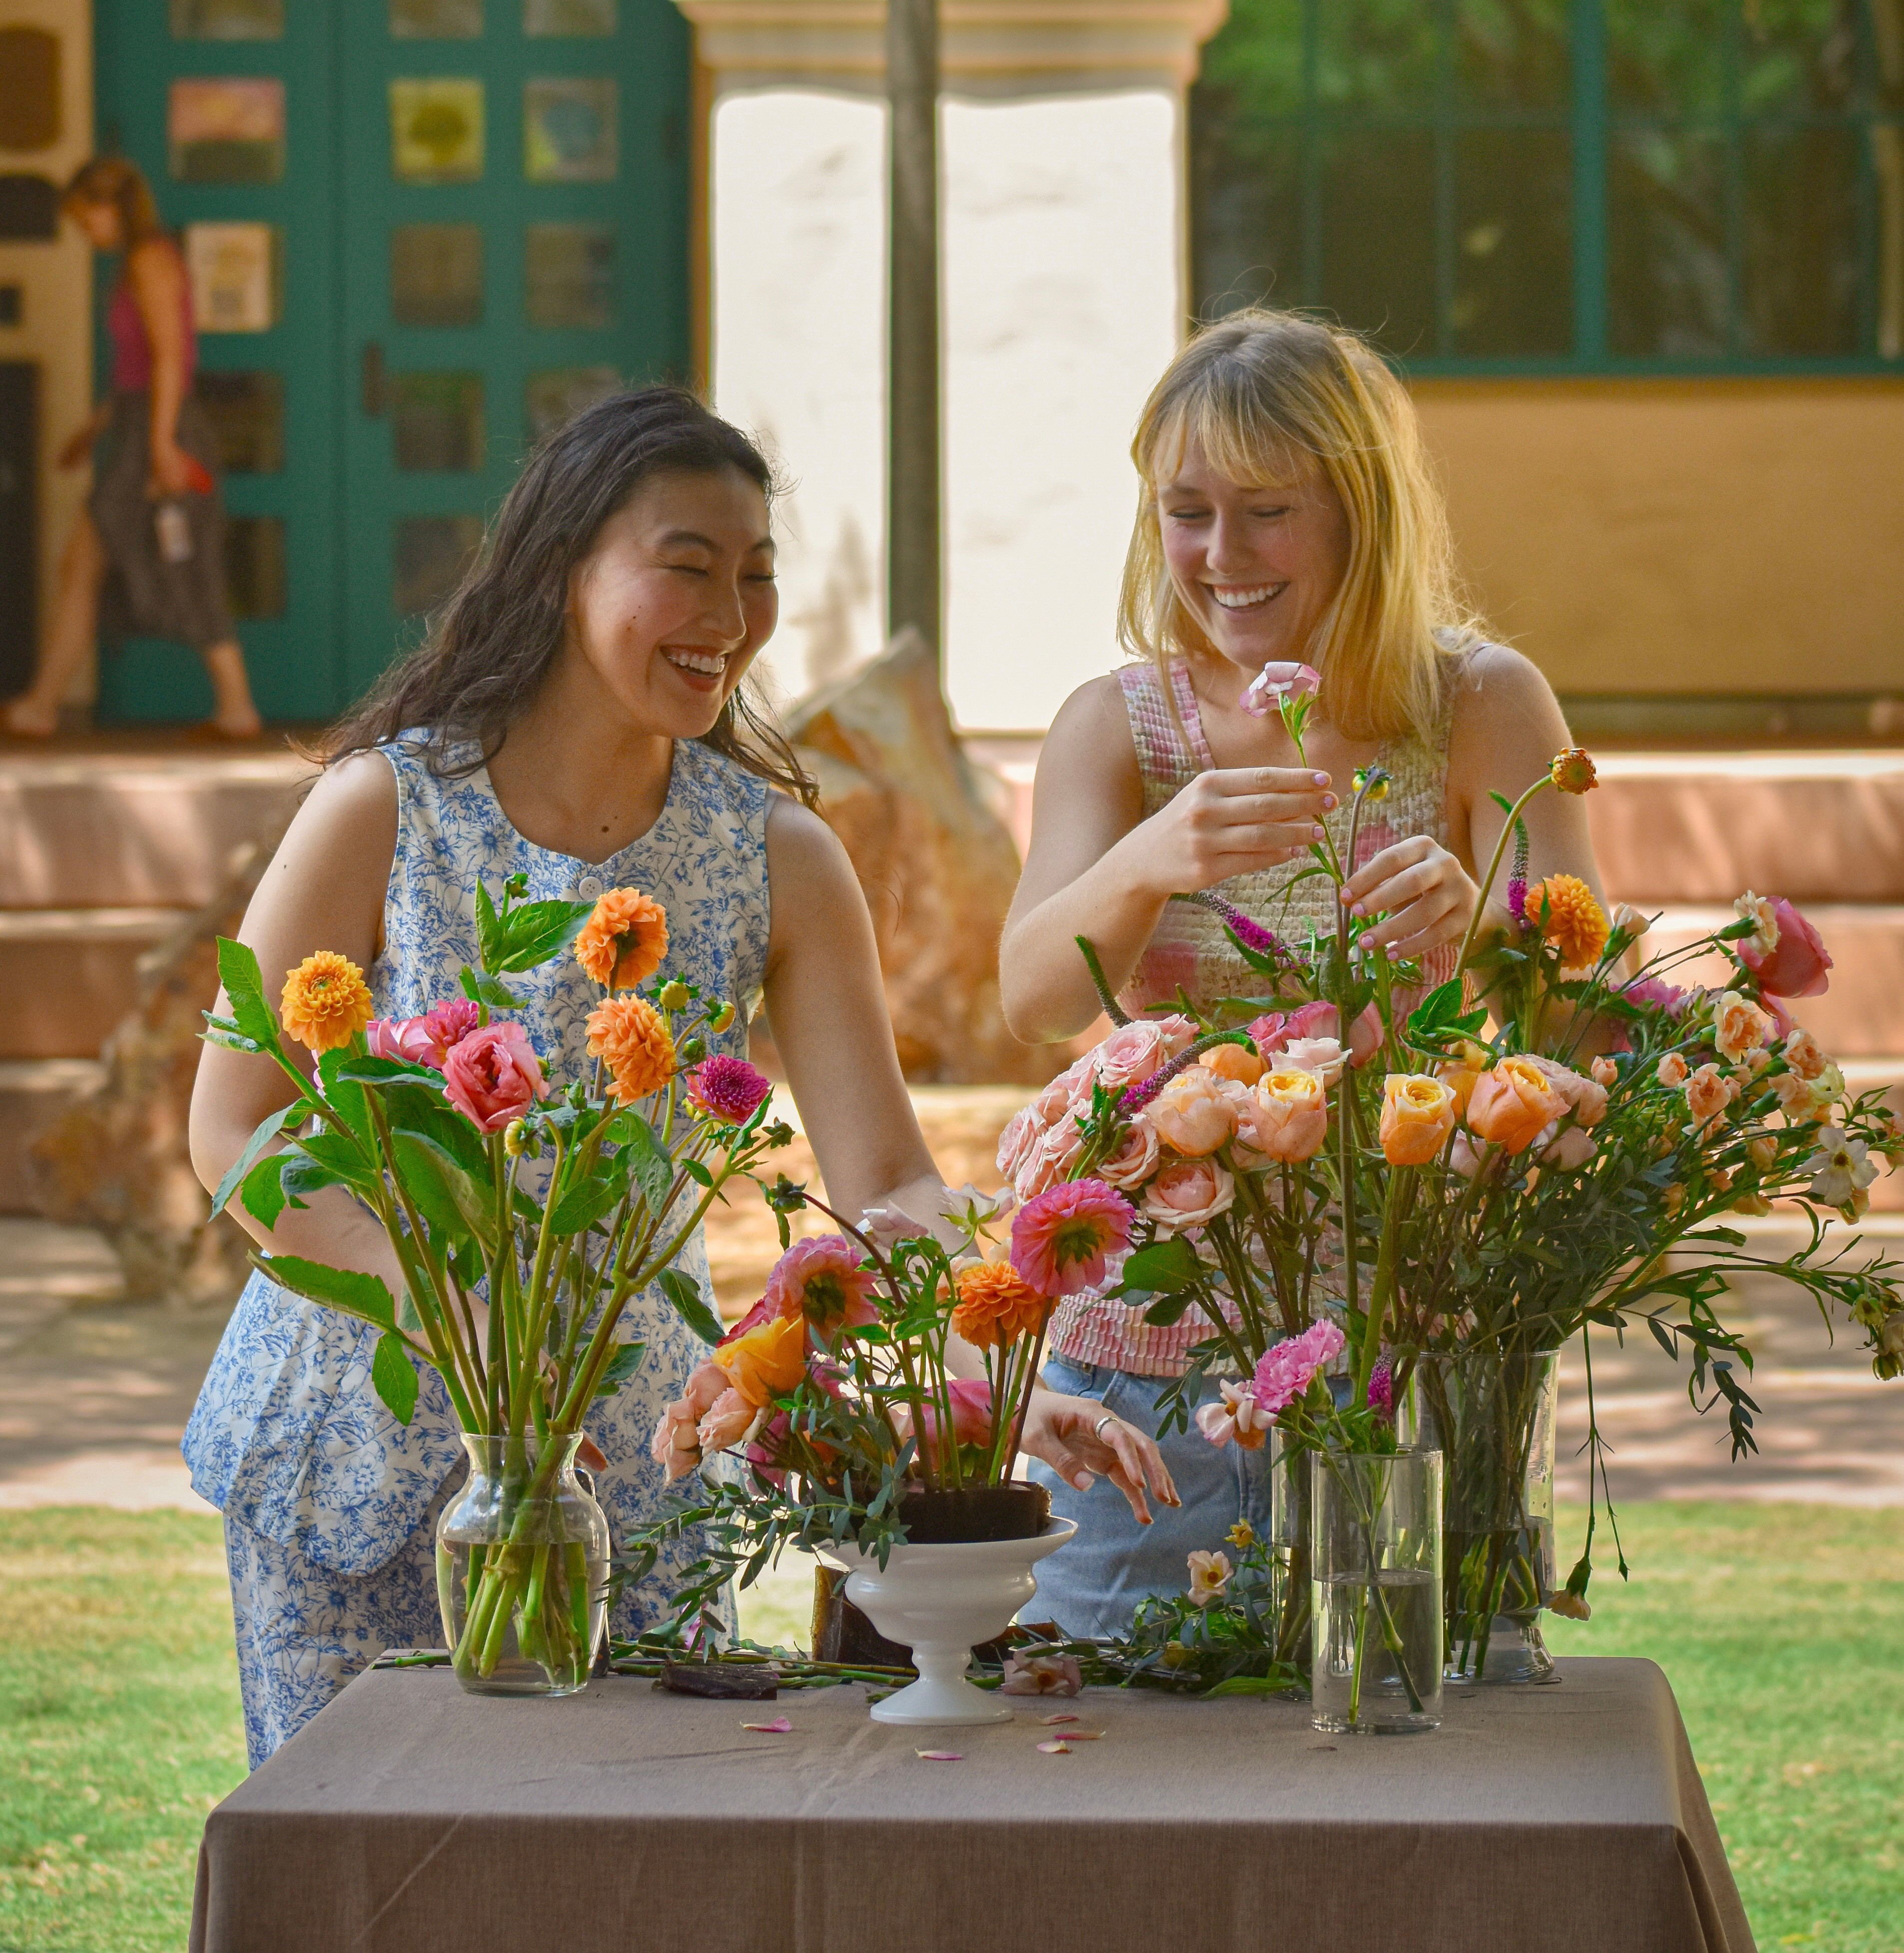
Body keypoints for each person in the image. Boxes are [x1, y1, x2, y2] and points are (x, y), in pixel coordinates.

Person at [182, 388, 1162, 1767]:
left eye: (756, 573)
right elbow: (233, 1120)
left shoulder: (776, 852)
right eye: (686, 564)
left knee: (621, 1879)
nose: (732, 610)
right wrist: (463, 1330)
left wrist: (971, 1371)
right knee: (364, 1874)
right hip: (351, 1441)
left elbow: (883, 1181)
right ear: (560, 568)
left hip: (635, 1460)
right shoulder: (383, 805)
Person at [996, 309, 1609, 1638]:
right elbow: (1031, 993)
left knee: (1404, 1744)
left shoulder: (1483, 705)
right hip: (1146, 1363)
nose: (1222, 555)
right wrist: (1148, 855)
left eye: (1267, 510)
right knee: (1120, 1733)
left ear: (1361, 510)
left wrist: (1485, 944)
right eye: (1187, 511)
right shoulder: (1117, 726)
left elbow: (1586, 1024)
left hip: (1407, 1342)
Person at [3, 157, 261, 739]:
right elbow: (135, 373)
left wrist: (162, 445)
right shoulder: (137, 264)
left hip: (158, 432)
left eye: (83, 218)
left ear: (108, 206)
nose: (83, 232)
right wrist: (94, 431)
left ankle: (42, 705)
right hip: (140, 426)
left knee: (120, 563)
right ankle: (45, 703)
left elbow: (170, 359)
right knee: (97, 565)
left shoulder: (150, 261)